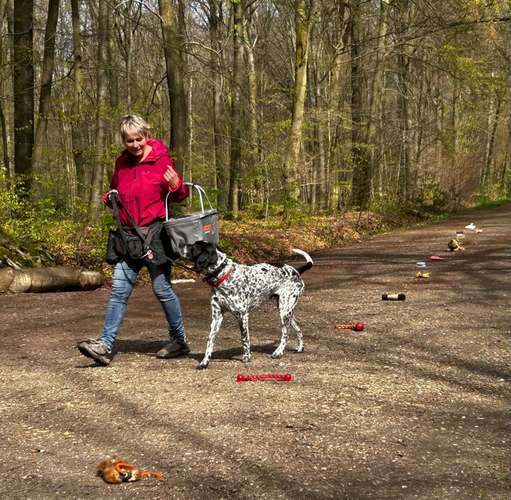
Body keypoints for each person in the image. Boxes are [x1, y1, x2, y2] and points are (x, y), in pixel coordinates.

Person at [78, 114, 190, 366]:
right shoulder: (121, 164)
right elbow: (116, 190)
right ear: (124, 141)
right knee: (119, 290)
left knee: (162, 289)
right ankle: (105, 345)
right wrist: (110, 198)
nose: (135, 145)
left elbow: (180, 196)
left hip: (155, 235)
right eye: (129, 141)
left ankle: (179, 340)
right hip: (128, 238)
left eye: (139, 139)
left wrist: (177, 185)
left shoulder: (162, 160)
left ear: (146, 136)